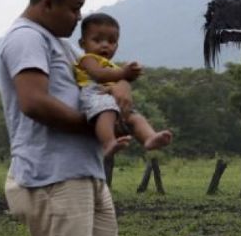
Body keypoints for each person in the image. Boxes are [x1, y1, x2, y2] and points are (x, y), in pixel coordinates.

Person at [0, 0, 125, 236]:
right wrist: (92, 128)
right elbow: (34, 102)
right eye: (74, 8)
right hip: (55, 176)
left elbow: (99, 84)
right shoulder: (26, 38)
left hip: (86, 173)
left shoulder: (62, 46)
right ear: (48, 3)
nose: (78, 17)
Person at [74, 13, 173, 156]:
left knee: (135, 118)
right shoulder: (87, 59)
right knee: (106, 111)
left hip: (113, 97)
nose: (105, 45)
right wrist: (124, 73)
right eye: (97, 40)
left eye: (111, 41)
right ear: (83, 43)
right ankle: (108, 142)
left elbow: (118, 78)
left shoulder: (112, 65)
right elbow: (99, 75)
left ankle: (149, 137)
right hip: (96, 93)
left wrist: (131, 74)